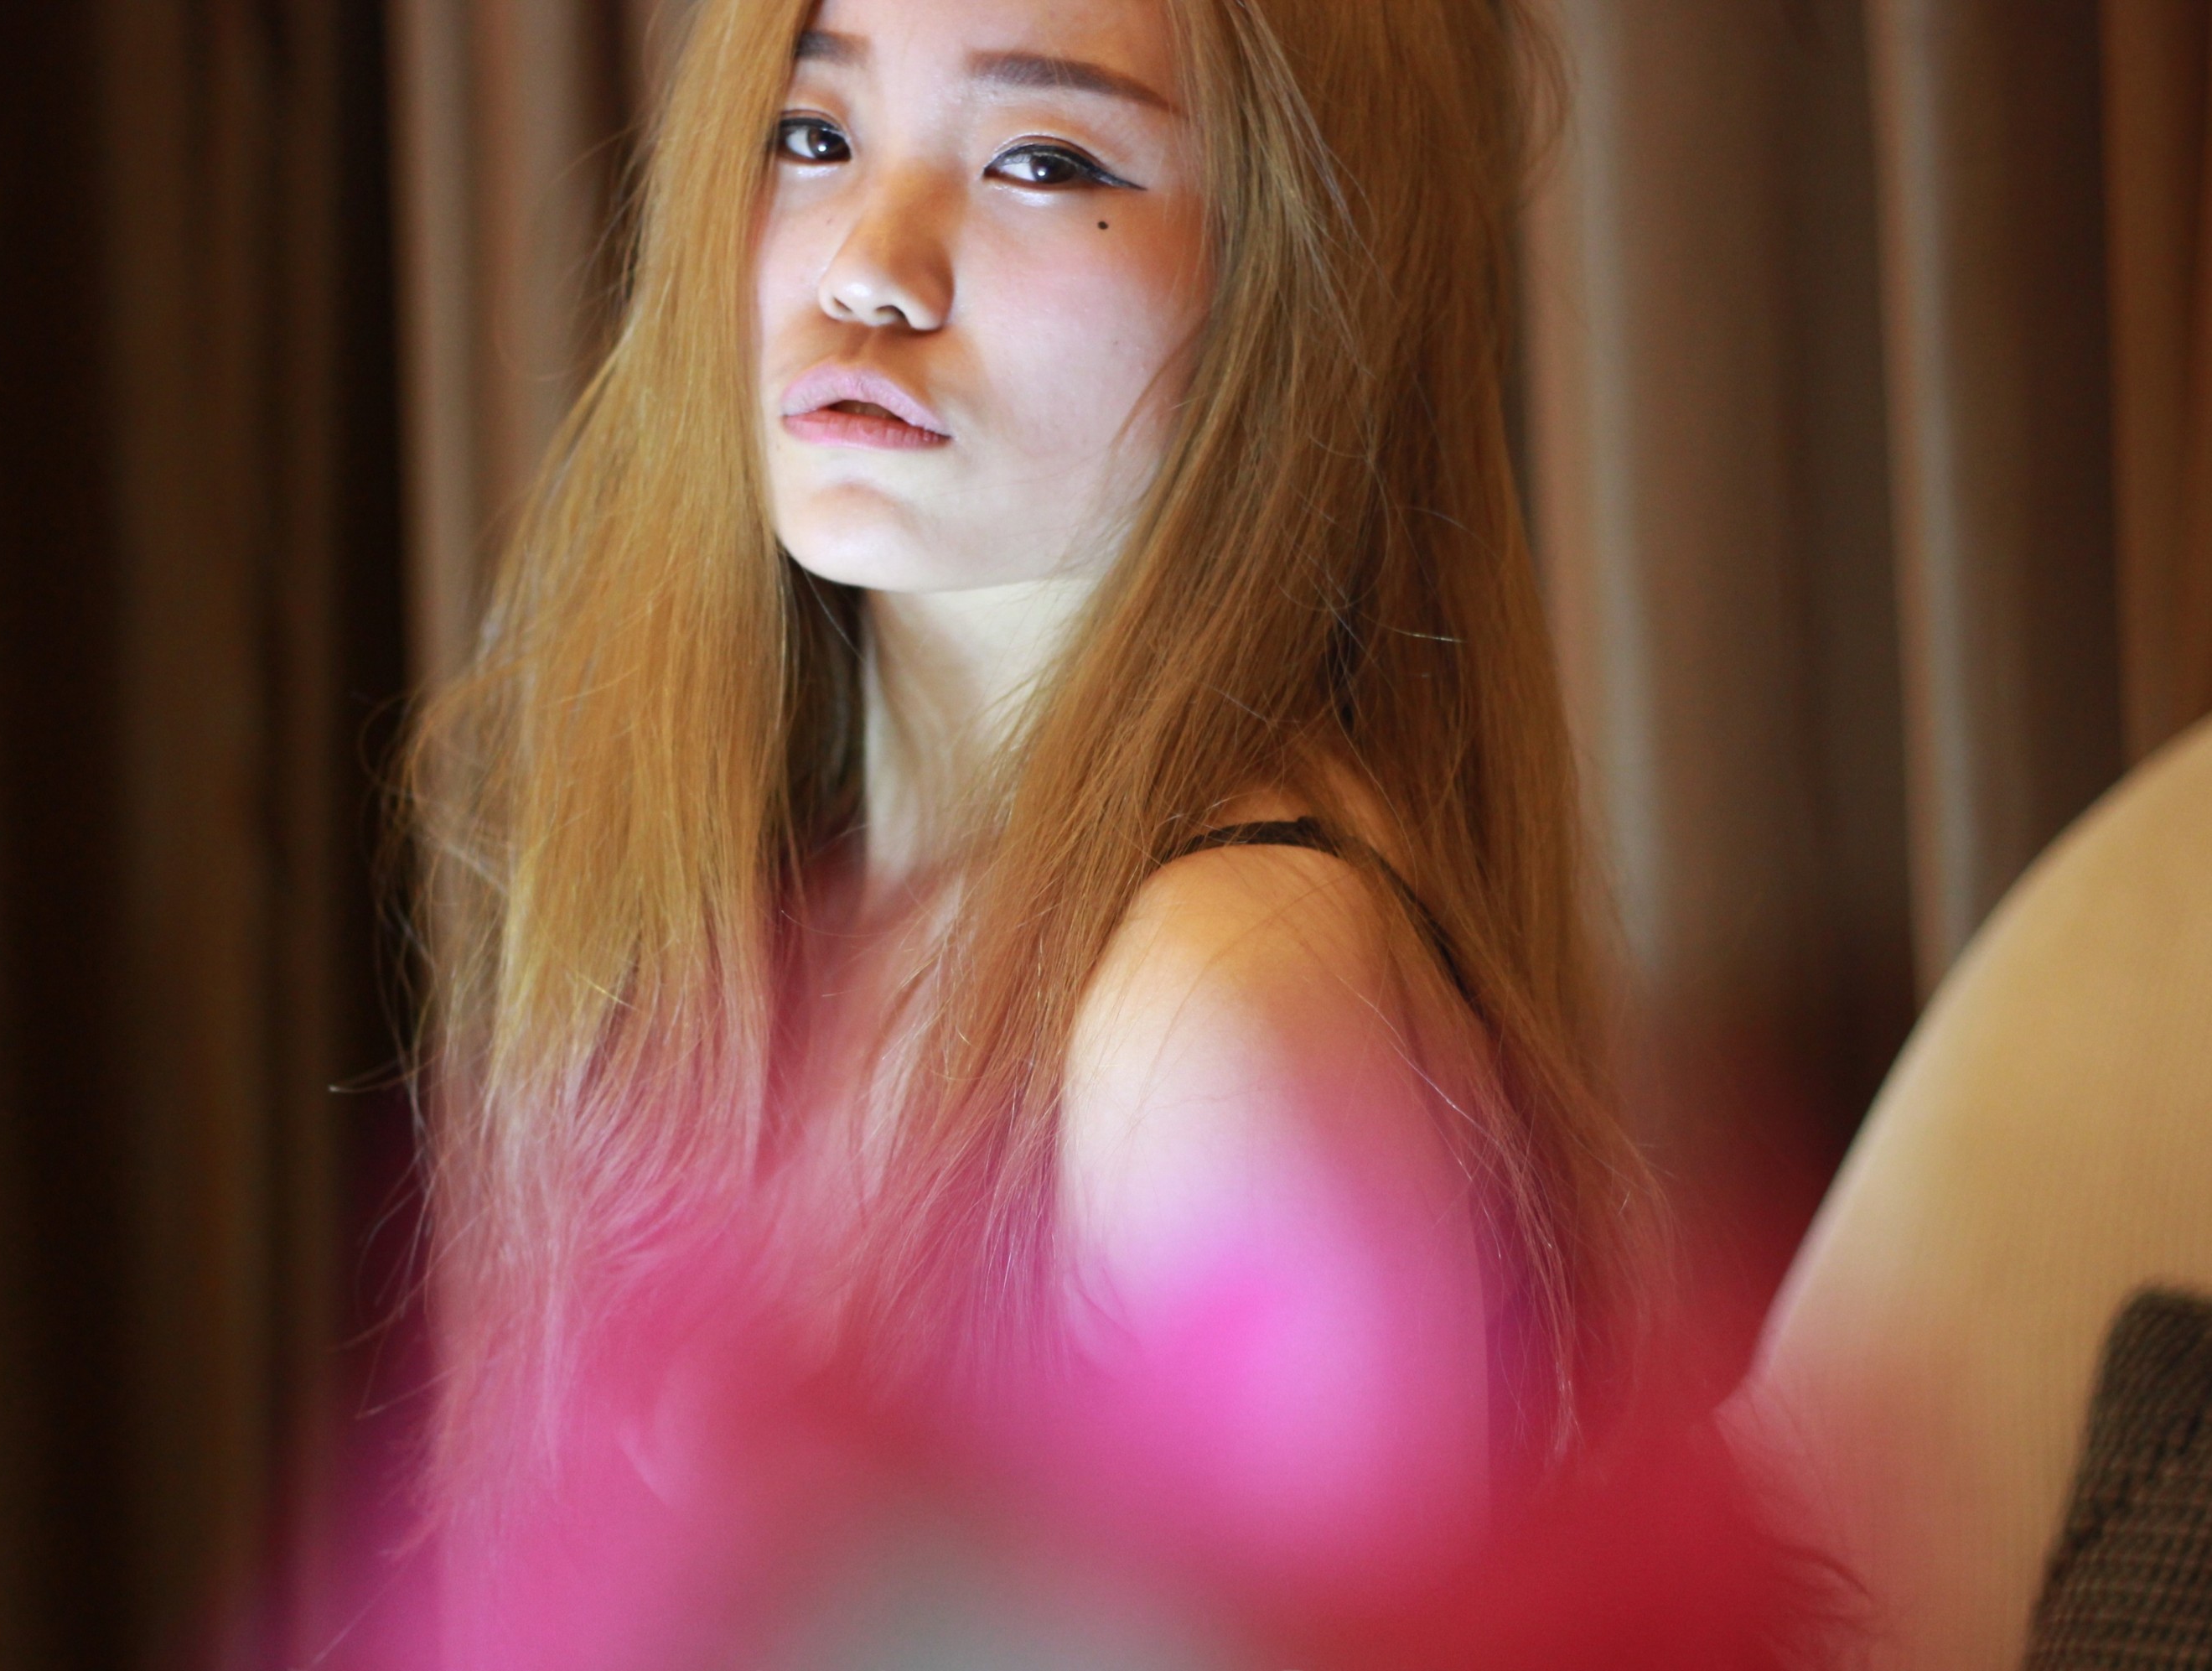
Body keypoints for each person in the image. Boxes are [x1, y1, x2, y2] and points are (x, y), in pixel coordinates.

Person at [407, 0, 1665, 1645]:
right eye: (812, 135)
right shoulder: (772, 927)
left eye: (1045, 161)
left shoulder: (1209, 1004)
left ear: (1292, 281)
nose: (871, 266)